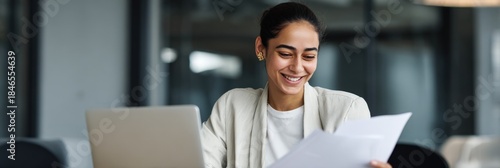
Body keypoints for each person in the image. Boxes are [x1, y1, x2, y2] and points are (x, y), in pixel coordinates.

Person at [201, 2, 392, 168]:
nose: (297, 67)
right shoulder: (232, 105)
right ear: (261, 48)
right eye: (285, 54)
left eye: (309, 56)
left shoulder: (347, 110)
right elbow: (200, 161)